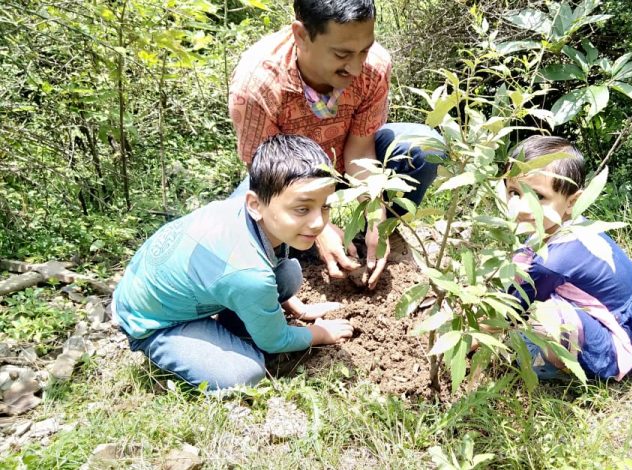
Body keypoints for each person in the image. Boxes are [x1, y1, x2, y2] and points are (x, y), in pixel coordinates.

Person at [111, 135, 354, 391]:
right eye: (302, 209)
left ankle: (235, 324)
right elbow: (276, 341)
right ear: (255, 204)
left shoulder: (250, 206)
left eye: (325, 206)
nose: (318, 223)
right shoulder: (248, 273)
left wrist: (300, 310)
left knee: (288, 274)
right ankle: (161, 344)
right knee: (244, 374)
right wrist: (321, 334)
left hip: (170, 285)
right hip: (152, 321)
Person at [229, 0, 442, 290]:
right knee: (240, 218)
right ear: (301, 35)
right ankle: (292, 252)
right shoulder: (258, 83)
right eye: (342, 54)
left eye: (363, 51)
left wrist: (375, 211)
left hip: (344, 163)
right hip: (287, 178)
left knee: (423, 146)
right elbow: (268, 176)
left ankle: (380, 237)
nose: (355, 68)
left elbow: (360, 151)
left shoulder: (374, 66)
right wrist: (320, 229)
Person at [504, 136, 632, 381]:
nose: (522, 208)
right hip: (626, 322)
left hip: (618, 341)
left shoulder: (554, 261)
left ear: (572, 202)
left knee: (544, 318)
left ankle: (564, 367)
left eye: (538, 197)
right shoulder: (574, 227)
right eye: (513, 192)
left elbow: (511, 309)